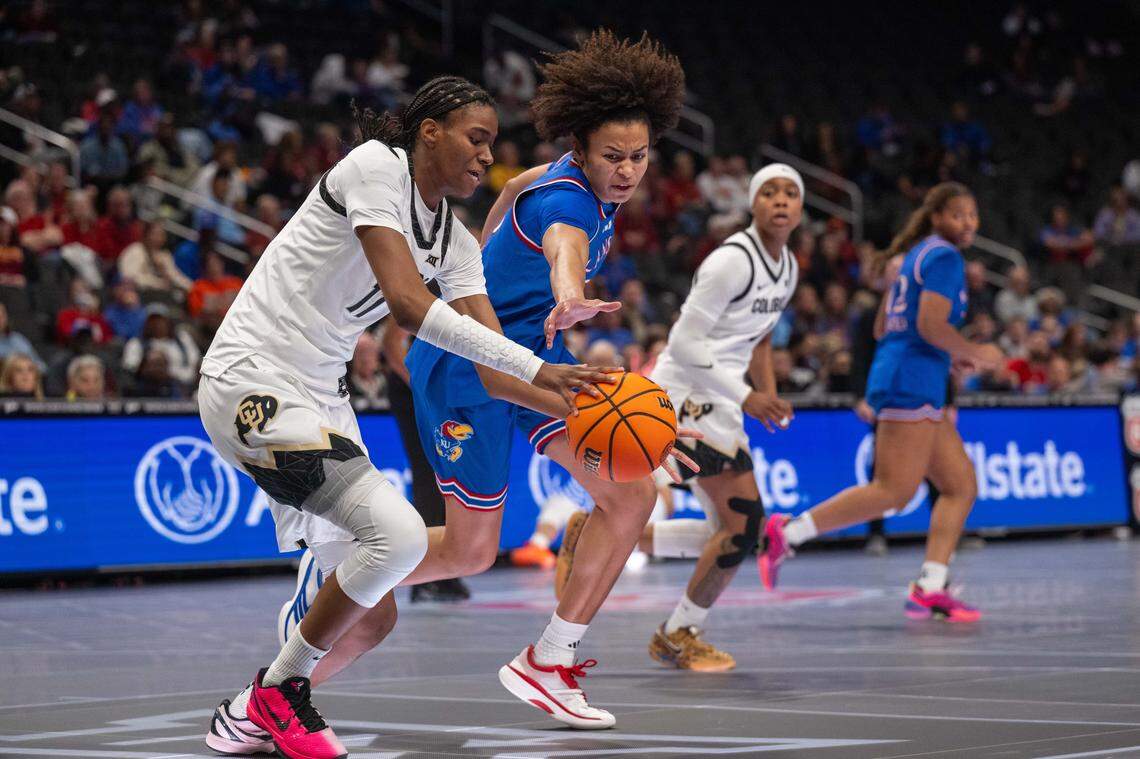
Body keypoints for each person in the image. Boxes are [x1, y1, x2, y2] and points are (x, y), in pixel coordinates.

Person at [198, 76, 610, 759]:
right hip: (252, 376)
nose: (486, 157)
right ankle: (282, 690)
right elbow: (411, 307)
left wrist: (590, 407)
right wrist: (541, 368)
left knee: (370, 616)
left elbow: (492, 368)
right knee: (400, 537)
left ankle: (246, 710)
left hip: (323, 397)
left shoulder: (456, 243)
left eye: (493, 146)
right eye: (476, 139)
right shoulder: (374, 168)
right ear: (429, 132)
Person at [402, 30, 689, 728]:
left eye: (638, 157)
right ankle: (344, 569)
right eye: (612, 157)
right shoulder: (568, 205)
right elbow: (562, 246)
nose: (626, 171)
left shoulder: (553, 177)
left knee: (631, 494)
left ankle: (551, 659)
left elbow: (511, 203)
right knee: (470, 550)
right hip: (468, 368)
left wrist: (501, 263)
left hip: (531, 361)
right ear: (583, 151)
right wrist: (567, 291)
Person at [576, 164, 803, 671]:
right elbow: (682, 340)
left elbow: (760, 335)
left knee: (733, 530)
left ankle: (585, 536)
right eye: (770, 192)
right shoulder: (731, 261)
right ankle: (677, 633)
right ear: (752, 203)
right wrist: (747, 396)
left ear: (801, 207)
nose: (781, 200)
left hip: (726, 396)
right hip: (687, 395)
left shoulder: (786, 267)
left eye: (791, 193)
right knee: (742, 526)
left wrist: (765, 392)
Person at [759, 182, 1004, 621]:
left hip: (913, 377)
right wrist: (975, 353)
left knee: (960, 484)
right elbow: (929, 325)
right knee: (892, 491)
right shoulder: (944, 258)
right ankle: (788, 532)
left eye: (973, 215)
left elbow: (882, 328)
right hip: (912, 380)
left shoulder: (913, 258)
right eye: (959, 215)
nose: (968, 223)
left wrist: (949, 355)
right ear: (937, 218)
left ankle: (930, 585)